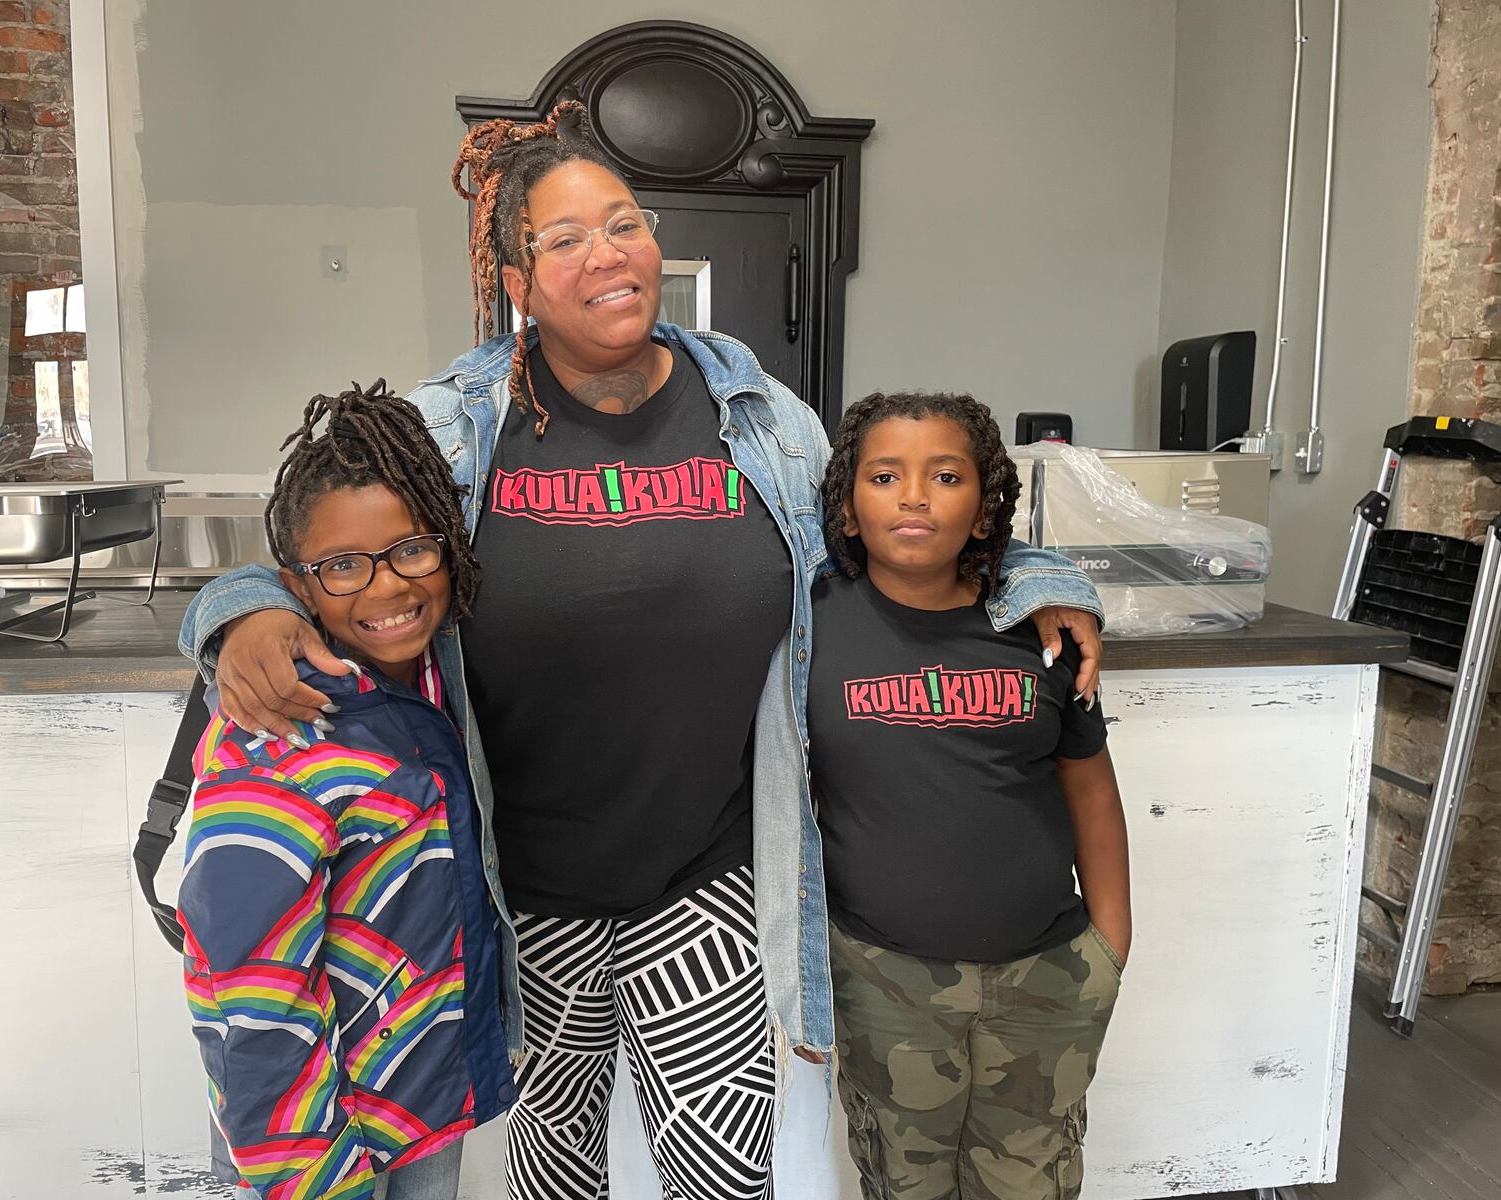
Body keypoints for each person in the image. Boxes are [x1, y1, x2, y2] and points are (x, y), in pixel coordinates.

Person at [178, 103, 1106, 1200]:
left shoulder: (763, 418)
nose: (604, 254)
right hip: (522, 888)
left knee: (720, 1179)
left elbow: (907, 529)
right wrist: (237, 609)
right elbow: (314, 527)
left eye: (621, 223)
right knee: (553, 1167)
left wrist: (1046, 576)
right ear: (517, 282)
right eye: (562, 239)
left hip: (706, 879)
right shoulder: (453, 426)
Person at [177, 383, 513, 1200]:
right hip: (318, 1143)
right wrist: (313, 1176)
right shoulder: (282, 728)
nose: (387, 587)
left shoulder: (437, 678)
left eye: (412, 549)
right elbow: (255, 989)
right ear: (296, 585)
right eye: (342, 567)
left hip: (419, 1103)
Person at [809, 391, 1129, 1200]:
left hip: (1049, 977)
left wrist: (1109, 946)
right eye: (884, 475)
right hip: (886, 982)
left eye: (946, 476)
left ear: (984, 512)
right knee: (904, 1182)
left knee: (1031, 1180)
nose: (914, 495)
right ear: (847, 507)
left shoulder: (1043, 631)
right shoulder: (811, 625)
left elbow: (1090, 785)